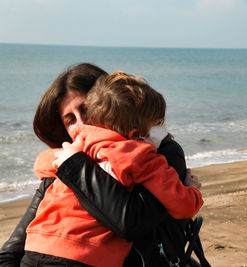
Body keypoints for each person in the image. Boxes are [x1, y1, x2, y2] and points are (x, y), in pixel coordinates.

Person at [0, 63, 200, 266]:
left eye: (85, 110)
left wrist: (73, 164)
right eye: (70, 120)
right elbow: (10, 252)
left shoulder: (158, 153)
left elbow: (132, 223)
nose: (82, 124)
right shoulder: (65, 160)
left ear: (112, 104)